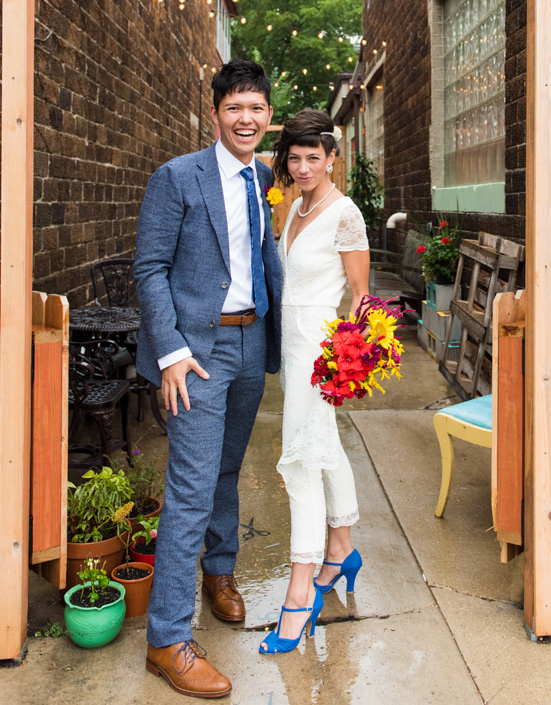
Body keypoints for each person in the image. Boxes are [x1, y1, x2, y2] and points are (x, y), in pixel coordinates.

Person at [134, 58, 282, 698]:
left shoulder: (265, 177)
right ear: (214, 113)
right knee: (191, 485)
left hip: (252, 340)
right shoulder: (176, 178)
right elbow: (149, 269)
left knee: (226, 467)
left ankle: (219, 573)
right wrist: (169, 352)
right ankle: (167, 639)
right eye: (234, 108)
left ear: (267, 117)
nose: (245, 119)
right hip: (196, 351)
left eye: (256, 108)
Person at [259, 108, 369, 654]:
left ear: (332, 157)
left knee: (298, 458)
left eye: (313, 158)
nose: (303, 167)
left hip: (320, 350)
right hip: (292, 342)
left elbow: (360, 294)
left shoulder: (344, 213)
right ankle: (342, 547)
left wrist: (351, 360)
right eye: (295, 158)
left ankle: (301, 589)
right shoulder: (296, 205)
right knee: (322, 448)